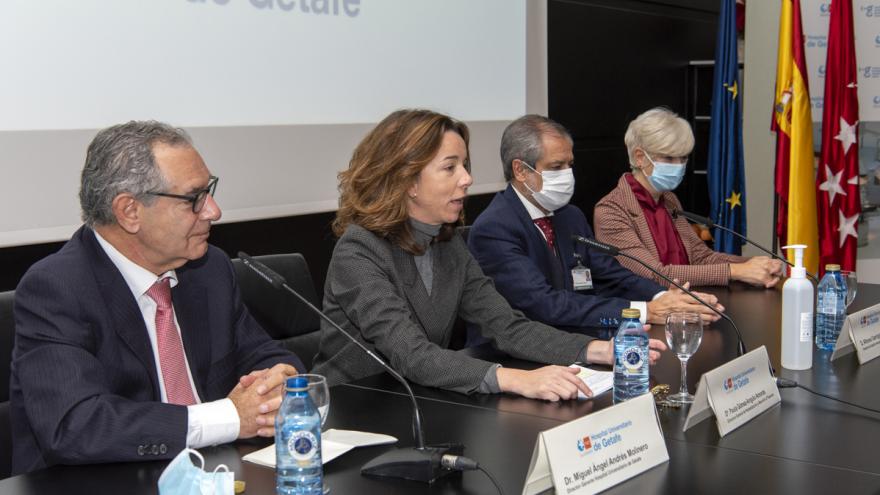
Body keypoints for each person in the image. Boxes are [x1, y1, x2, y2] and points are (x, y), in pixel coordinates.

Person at [9, 121, 304, 475]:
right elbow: (75, 425)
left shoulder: (209, 270)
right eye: (194, 198)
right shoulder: (57, 288)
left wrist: (282, 383)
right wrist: (229, 416)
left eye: (209, 190)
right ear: (129, 211)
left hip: (214, 473)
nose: (213, 211)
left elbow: (263, 355)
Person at [311, 109, 666, 400]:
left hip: (420, 400)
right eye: (450, 167)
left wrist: (594, 349)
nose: (467, 178)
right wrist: (514, 379)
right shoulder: (358, 252)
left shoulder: (447, 243)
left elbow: (507, 326)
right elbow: (412, 354)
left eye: (465, 165)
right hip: (354, 410)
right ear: (407, 181)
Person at [467, 115, 722, 340]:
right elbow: (546, 305)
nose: (568, 174)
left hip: (578, 338)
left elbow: (610, 274)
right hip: (517, 355)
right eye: (557, 167)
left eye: (570, 165)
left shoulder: (570, 216)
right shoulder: (494, 229)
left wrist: (665, 298)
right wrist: (644, 311)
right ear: (521, 170)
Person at [594, 107, 784, 288]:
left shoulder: (669, 199)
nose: (678, 166)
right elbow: (654, 274)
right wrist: (737, 271)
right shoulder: (611, 210)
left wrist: (754, 264)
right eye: (669, 158)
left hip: (690, 303)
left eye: (683, 158)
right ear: (640, 157)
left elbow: (701, 258)